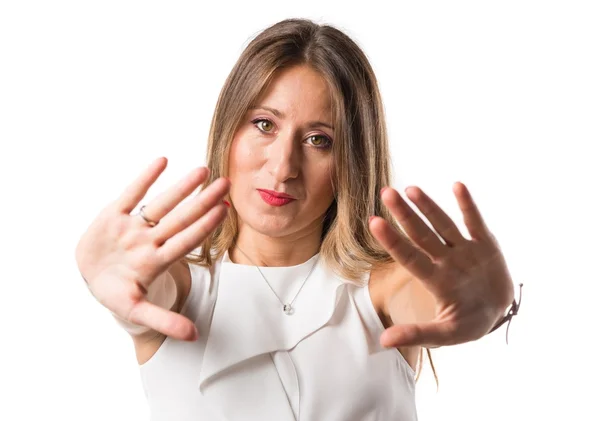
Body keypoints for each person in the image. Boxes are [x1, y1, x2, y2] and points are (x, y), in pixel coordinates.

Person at [75, 18, 520, 421]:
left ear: (352, 162)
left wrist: (487, 304)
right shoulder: (181, 287)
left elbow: (429, 302)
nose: (283, 166)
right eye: (265, 125)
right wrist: (115, 285)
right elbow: (150, 294)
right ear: (229, 130)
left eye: (318, 139)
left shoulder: (382, 288)